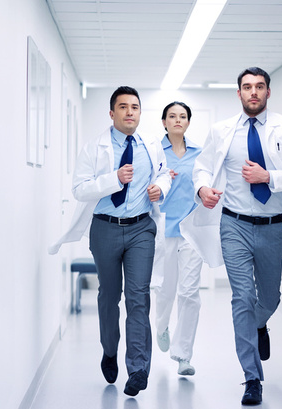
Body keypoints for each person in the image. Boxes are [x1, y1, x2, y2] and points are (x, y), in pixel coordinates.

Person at [180, 67, 282, 405]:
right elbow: (202, 167)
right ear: (239, 93)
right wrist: (202, 188)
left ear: (268, 92)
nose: (253, 92)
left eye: (259, 87)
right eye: (247, 87)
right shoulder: (221, 131)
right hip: (233, 224)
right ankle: (251, 377)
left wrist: (269, 176)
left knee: (271, 299)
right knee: (241, 298)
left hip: (273, 225)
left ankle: (258, 324)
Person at [48, 86, 171, 397]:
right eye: (123, 107)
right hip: (105, 228)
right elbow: (79, 189)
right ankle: (109, 349)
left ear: (141, 113)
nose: (130, 112)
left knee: (138, 296)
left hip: (142, 228)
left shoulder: (150, 146)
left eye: (135, 107)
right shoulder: (95, 148)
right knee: (108, 297)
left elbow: (164, 174)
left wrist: (160, 187)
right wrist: (114, 179)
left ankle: (138, 368)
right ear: (112, 113)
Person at [152, 101, 203, 376]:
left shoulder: (200, 153)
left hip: (191, 231)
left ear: (188, 122)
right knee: (165, 289)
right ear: (164, 122)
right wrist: (161, 179)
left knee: (190, 292)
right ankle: (161, 326)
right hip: (165, 229)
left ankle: (183, 355)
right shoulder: (155, 152)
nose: (177, 120)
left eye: (182, 116)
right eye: (172, 116)